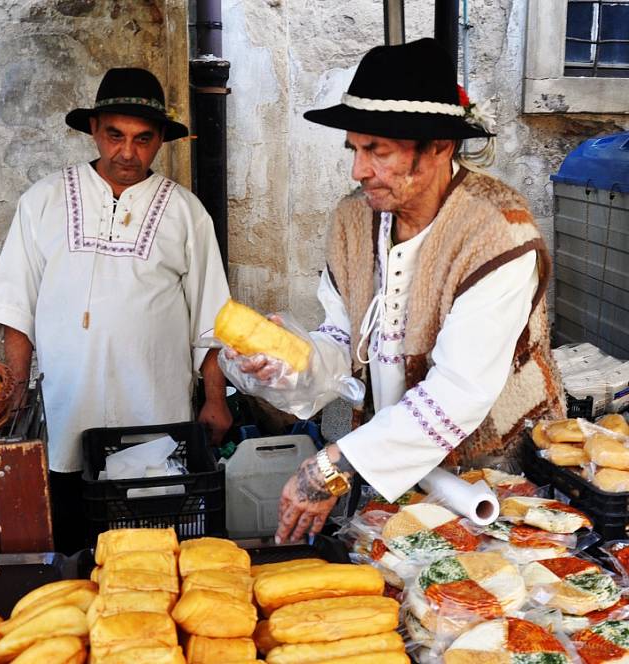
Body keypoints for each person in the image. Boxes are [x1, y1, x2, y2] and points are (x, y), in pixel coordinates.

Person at [226, 38, 565, 544]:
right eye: (355, 149)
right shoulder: (352, 218)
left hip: (495, 480)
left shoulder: (499, 232)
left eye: (377, 151)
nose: (358, 170)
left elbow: (458, 392)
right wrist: (292, 363)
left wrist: (334, 464)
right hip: (392, 469)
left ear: (439, 147)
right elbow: (341, 341)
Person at [0, 68, 232, 552]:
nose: (127, 152)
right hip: (71, 411)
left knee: (156, 547)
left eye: (143, 139)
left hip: (157, 414)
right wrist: (15, 393)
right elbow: (16, 305)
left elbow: (212, 316)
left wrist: (215, 398)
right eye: (114, 135)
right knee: (76, 544)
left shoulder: (185, 212)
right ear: (94, 130)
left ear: (160, 141)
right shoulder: (43, 201)